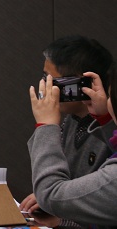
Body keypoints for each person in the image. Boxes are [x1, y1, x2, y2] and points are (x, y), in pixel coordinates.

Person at [20, 35, 115, 215]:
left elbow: (102, 207)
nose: (44, 86)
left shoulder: (108, 135)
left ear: (80, 83)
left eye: (51, 80)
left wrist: (46, 125)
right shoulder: (72, 121)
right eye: (44, 77)